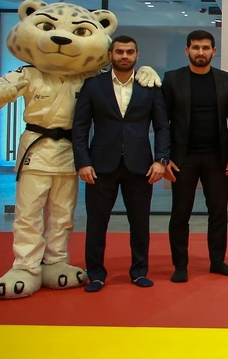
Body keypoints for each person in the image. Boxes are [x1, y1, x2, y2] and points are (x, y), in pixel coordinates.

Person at [72, 35, 170, 292]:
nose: (124, 56)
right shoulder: (93, 85)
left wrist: (161, 160)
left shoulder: (149, 87)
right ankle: (95, 274)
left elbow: (162, 126)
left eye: (129, 52)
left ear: (137, 55)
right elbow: (80, 127)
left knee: (140, 223)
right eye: (119, 52)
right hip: (100, 166)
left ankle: (139, 272)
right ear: (110, 55)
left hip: (140, 166)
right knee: (96, 223)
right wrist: (82, 162)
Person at [161, 30, 228, 282]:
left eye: (206, 48)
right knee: (180, 214)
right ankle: (180, 265)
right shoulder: (172, 79)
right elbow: (163, 123)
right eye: (195, 47)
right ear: (187, 50)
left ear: (214, 51)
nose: (200, 52)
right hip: (183, 158)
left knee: (218, 213)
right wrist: (164, 157)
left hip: (217, 157)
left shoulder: (225, 80)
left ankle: (217, 261)